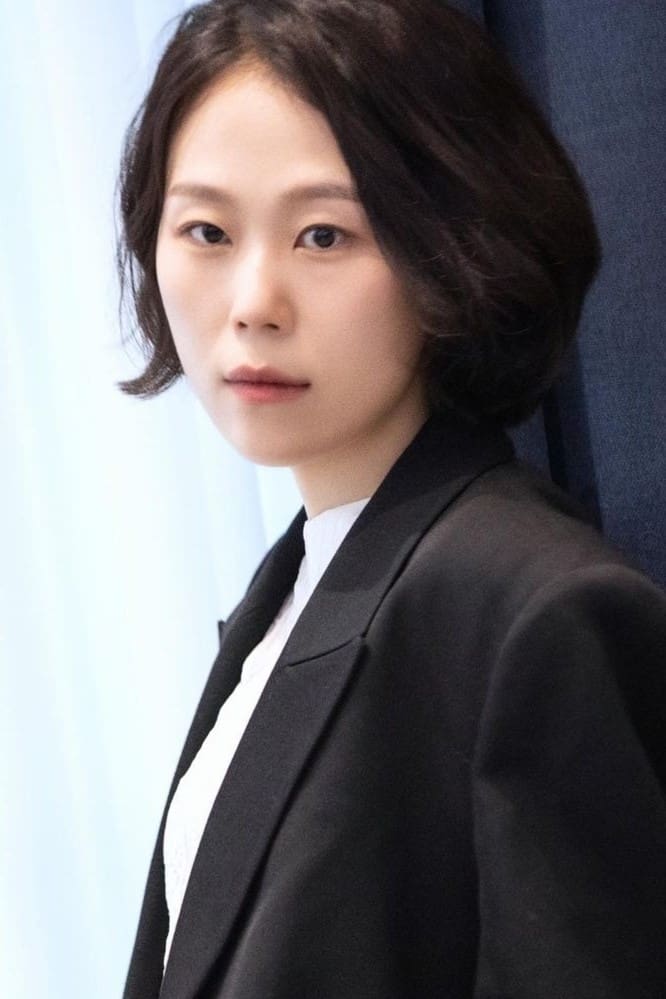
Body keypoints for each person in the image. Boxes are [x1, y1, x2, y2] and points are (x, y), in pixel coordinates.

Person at [117, 2, 666, 997]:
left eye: (324, 235)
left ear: (452, 248)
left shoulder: (538, 613)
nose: (253, 303)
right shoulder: (293, 584)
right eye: (207, 230)